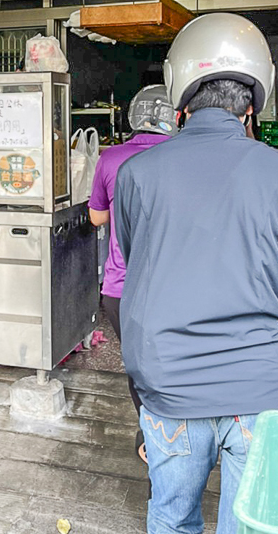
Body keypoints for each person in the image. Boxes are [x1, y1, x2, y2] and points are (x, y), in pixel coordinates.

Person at [114, 13, 278, 534]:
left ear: (179, 98)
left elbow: (133, 258)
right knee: (253, 525)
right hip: (267, 384)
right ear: (254, 103)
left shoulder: (135, 173)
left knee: (171, 517)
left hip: (168, 382)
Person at [88, 85, 178, 452]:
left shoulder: (111, 158)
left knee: (140, 366)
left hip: (121, 288)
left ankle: (151, 436)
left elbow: (97, 217)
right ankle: (183, 433)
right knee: (175, 361)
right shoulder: (184, 156)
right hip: (174, 287)